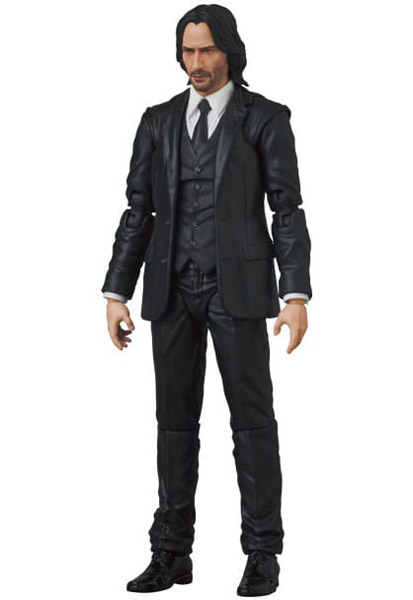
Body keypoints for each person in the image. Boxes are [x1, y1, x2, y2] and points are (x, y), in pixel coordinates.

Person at [101, 4, 312, 596]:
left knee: (252, 422)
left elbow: (287, 208)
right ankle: (171, 552)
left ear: (229, 52)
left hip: (236, 290)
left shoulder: (264, 118)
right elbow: (138, 210)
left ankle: (262, 552)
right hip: (171, 289)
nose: (196, 62)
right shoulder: (158, 121)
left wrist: (295, 293)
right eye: (188, 51)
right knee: (173, 425)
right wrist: (117, 290)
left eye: (207, 50)